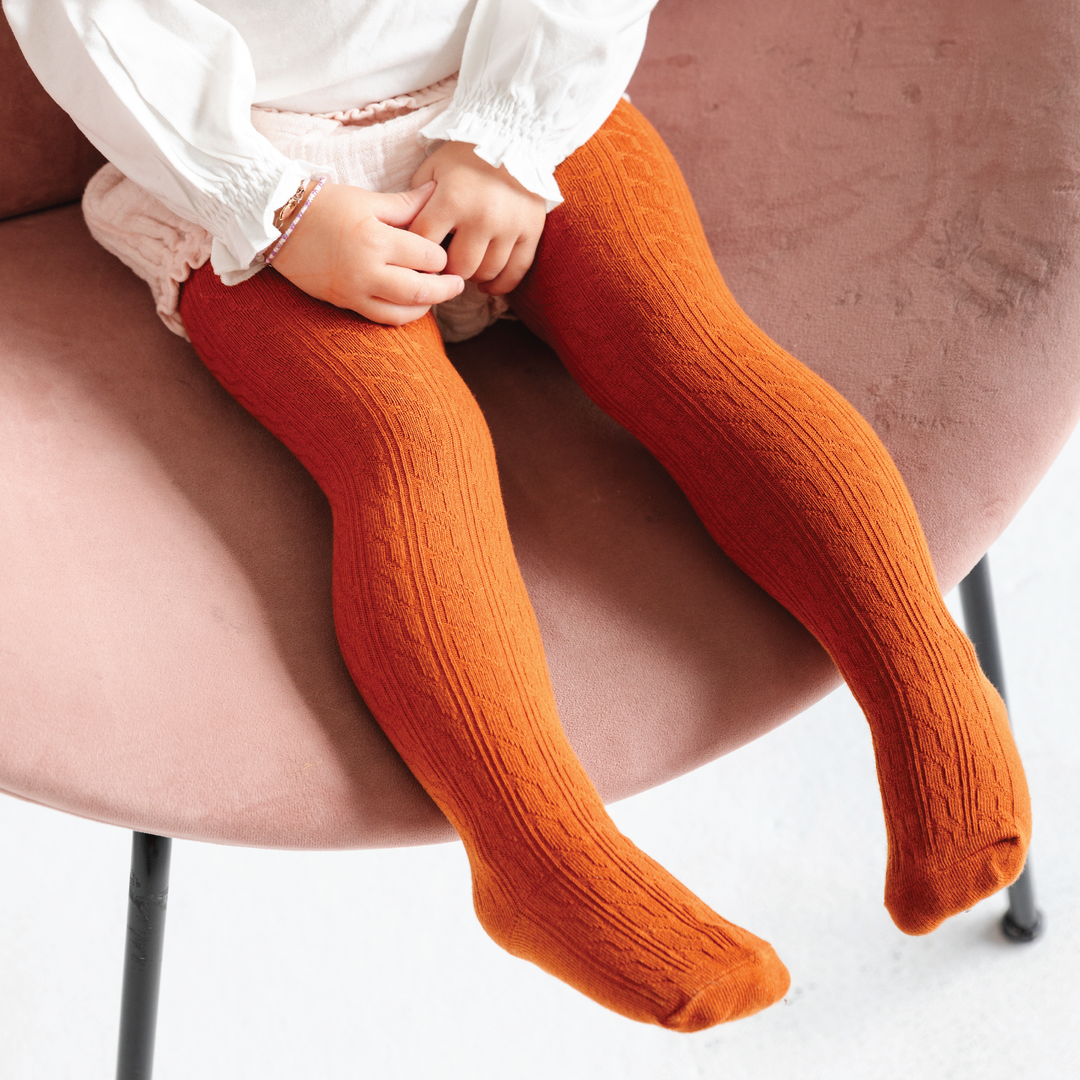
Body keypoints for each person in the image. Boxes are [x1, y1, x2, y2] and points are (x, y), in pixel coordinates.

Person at [5, 0, 1030, 1032]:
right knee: (412, 452)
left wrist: (505, 135)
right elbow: (85, 19)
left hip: (508, 91)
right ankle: (538, 857)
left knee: (692, 353)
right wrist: (268, 206)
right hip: (253, 177)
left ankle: (926, 688)